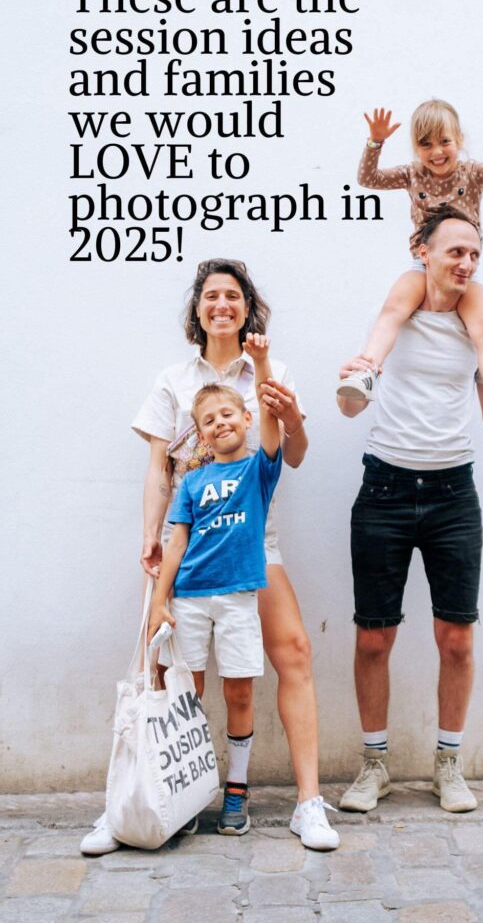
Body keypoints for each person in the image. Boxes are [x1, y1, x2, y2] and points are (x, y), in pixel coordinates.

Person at [81, 259, 339, 855]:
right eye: (211, 296)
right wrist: (151, 533)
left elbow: (290, 456)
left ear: (248, 308)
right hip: (189, 549)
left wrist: (293, 416)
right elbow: (157, 468)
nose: (222, 304)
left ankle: (307, 804)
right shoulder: (172, 378)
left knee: (294, 651)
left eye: (233, 295)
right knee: (166, 677)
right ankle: (137, 802)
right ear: (197, 310)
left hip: (255, 546)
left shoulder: (271, 371)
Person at [337, 207, 483, 814]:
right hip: (385, 487)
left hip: (452, 494)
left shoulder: (476, 304)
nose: (466, 263)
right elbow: (390, 320)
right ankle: (375, 766)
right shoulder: (410, 287)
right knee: (373, 638)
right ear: (424, 250)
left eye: (474, 253)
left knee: (457, 637)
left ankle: (448, 763)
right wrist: (366, 367)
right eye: (455, 252)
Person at [147, 333, 282, 837]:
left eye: (228, 414)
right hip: (189, 601)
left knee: (240, 693)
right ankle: (189, 789)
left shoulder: (259, 470)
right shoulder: (193, 484)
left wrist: (263, 361)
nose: (220, 423)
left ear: (245, 419)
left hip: (238, 600)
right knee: (189, 693)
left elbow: (274, 422)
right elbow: (175, 545)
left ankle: (236, 790)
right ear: (200, 436)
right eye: (208, 420)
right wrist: (161, 603)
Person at [337, 96, 483, 436]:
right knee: (394, 308)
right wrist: (375, 142)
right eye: (425, 145)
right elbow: (369, 179)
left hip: (462, 266)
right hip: (422, 265)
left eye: (445, 142)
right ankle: (366, 370)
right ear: (416, 148)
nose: (436, 152)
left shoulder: (473, 171)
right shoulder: (413, 174)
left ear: (459, 141)